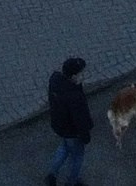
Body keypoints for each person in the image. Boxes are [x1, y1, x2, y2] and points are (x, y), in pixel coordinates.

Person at [44, 56, 94, 184]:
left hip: (60, 125)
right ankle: (72, 181)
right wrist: (85, 135)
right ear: (73, 76)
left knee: (64, 148)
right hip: (73, 131)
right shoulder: (74, 96)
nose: (83, 76)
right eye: (81, 73)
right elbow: (80, 119)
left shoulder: (55, 80)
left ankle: (51, 175)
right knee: (77, 156)